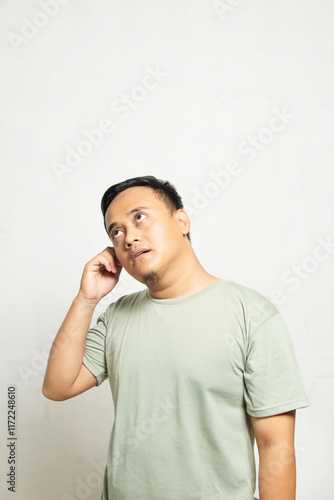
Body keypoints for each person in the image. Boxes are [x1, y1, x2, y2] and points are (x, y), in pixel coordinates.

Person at [43, 175, 309, 500]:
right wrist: (86, 300)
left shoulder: (251, 313)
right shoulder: (116, 317)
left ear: (181, 220)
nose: (128, 238)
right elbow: (57, 387)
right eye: (116, 231)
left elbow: (275, 445)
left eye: (139, 217)